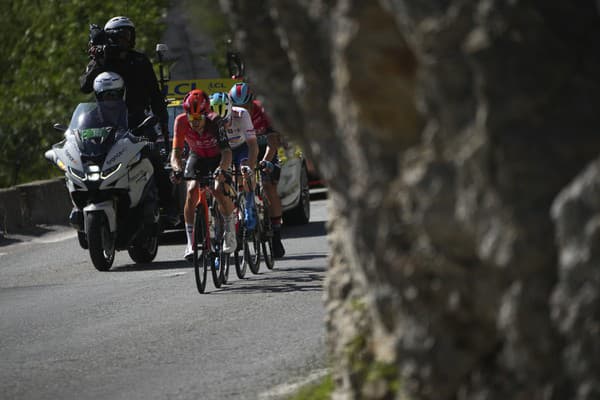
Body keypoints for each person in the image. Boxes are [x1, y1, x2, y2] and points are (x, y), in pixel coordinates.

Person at [79, 16, 176, 222]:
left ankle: (168, 208)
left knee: (154, 159)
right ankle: (84, 204)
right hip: (105, 124)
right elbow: (84, 86)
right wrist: (98, 61)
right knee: (87, 159)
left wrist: (162, 123)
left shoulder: (140, 60)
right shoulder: (102, 59)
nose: (125, 39)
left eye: (128, 35)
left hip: (138, 123)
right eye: (120, 35)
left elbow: (155, 95)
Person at [170, 89, 236, 260]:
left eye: (199, 118)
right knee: (191, 190)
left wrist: (221, 170)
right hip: (197, 155)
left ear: (206, 114)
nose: (195, 123)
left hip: (217, 157)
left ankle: (230, 231)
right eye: (191, 118)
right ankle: (190, 242)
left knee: (217, 189)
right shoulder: (180, 121)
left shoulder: (216, 121)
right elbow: (175, 154)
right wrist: (177, 169)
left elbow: (227, 152)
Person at [229, 82, 285, 258]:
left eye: (244, 105)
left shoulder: (263, 111)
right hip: (244, 147)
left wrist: (263, 162)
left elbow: (273, 143)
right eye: (236, 106)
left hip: (265, 147)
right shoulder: (233, 114)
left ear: (251, 102)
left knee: (269, 186)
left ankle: (276, 234)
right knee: (240, 179)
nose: (240, 110)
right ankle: (243, 214)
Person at [209, 92, 259, 230]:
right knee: (222, 180)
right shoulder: (208, 120)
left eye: (226, 121)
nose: (224, 126)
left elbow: (253, 145)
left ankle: (249, 205)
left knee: (245, 172)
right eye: (220, 123)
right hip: (223, 151)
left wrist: (250, 167)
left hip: (242, 147)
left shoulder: (242, 114)